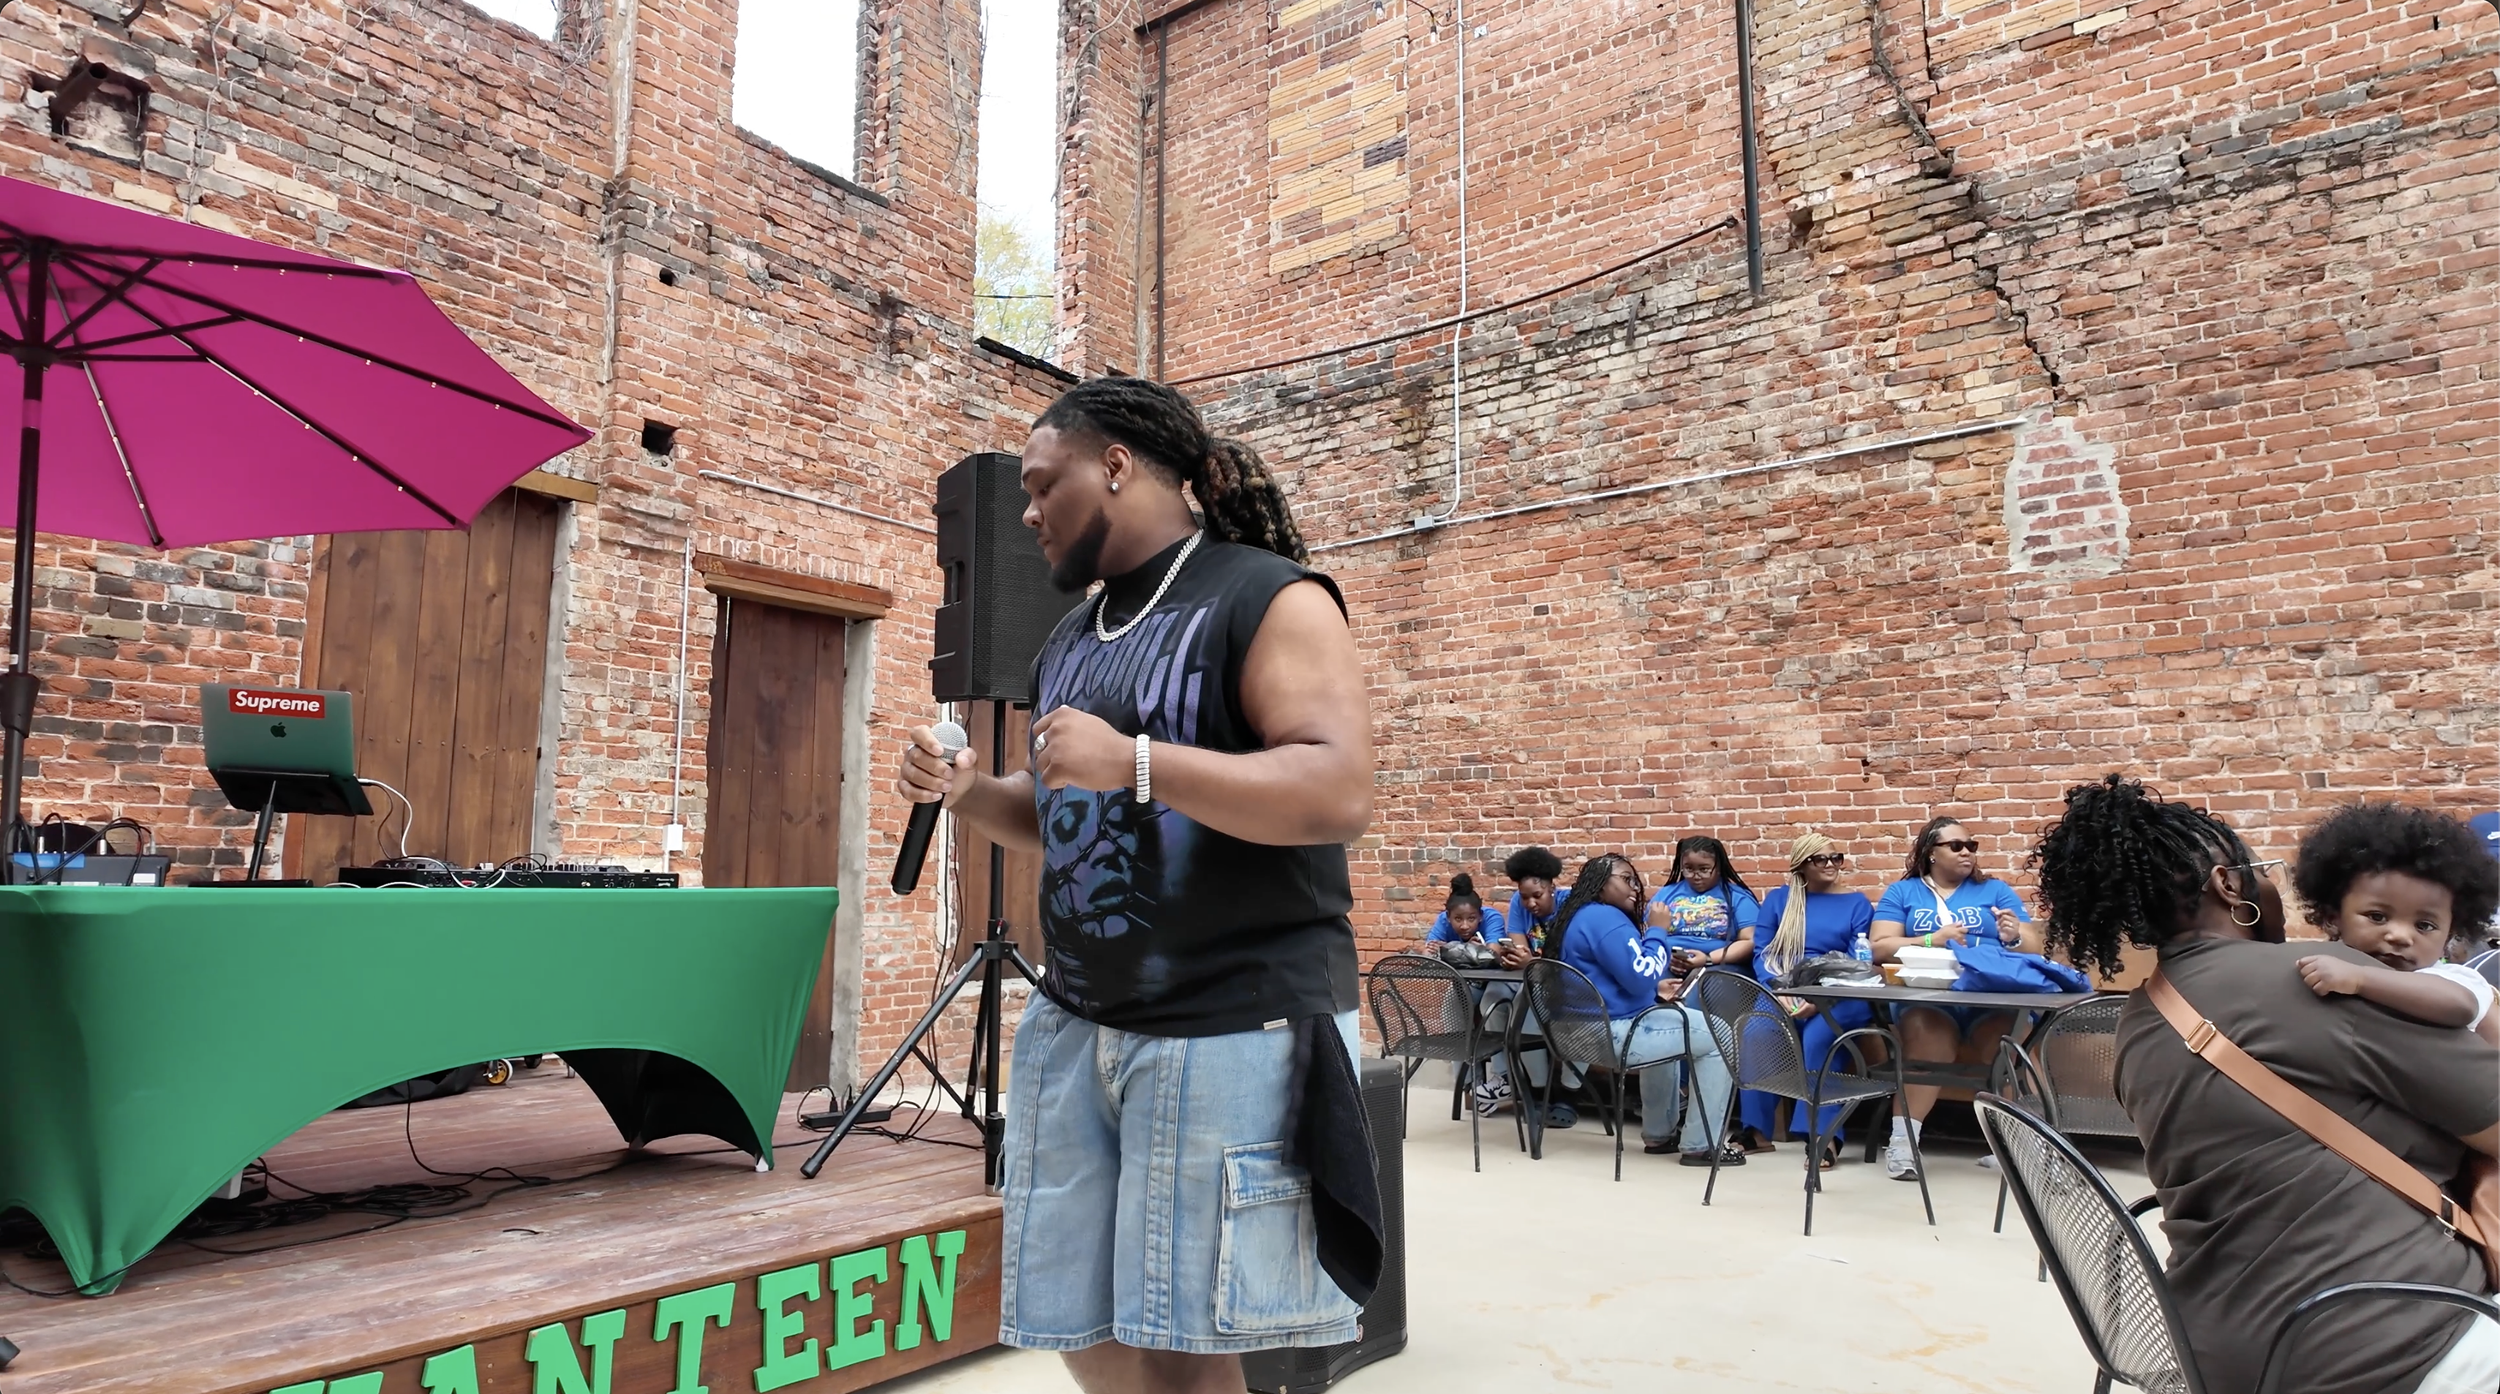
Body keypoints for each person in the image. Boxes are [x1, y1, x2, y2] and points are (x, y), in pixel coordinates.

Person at [897, 376, 1376, 1393]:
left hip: (1228, 1022)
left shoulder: (1269, 596)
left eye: (1043, 485)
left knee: (1186, 1346)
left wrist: (1137, 762)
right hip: (1079, 1022)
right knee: (1077, 1317)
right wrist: (970, 789)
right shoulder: (1071, 638)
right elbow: (1057, 812)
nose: (1028, 513)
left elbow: (1335, 789)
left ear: (1116, 465)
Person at [2034, 774, 2499, 1394]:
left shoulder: (2138, 1023)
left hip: (2213, 1348)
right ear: (2230, 886)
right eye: (2262, 871)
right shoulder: (2323, 981)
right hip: (2384, 1340)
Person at [1545, 853, 1742, 1165]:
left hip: (1577, 1035)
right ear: (1600, 884)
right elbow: (1640, 976)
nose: (1635, 888)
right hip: (1611, 1035)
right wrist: (1658, 931)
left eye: (1635, 881)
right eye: (1626, 879)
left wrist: (1654, 989)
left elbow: (1610, 977)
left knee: (1667, 1023)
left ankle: (1659, 1136)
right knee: (1720, 1034)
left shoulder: (1579, 915)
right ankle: (1701, 1145)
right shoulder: (1607, 920)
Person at [1867, 814, 2035, 1180]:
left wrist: (2014, 936)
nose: (1967, 852)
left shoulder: (1994, 890)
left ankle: (2020, 1146)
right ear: (1931, 852)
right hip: (1928, 997)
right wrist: (1931, 939)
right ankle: (1903, 1144)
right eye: (1956, 846)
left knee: (2013, 1046)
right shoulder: (1904, 892)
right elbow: (1878, 948)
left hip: (1991, 995)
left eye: (1971, 846)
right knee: (1926, 1044)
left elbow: (2034, 945)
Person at [2291, 802, 2500, 1045]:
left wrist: (2361, 979)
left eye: (2424, 926)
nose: (2400, 936)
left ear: (2448, 937)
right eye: (2377, 917)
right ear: (2332, 918)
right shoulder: (2333, 971)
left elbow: (2461, 1005)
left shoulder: (2451, 978)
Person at [1733, 831, 1875, 1163]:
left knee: (1818, 1038)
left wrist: (1820, 997)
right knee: (1757, 1032)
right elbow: (1764, 952)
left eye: (1836, 858)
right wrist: (1780, 991)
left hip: (1840, 993)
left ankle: (1822, 1134)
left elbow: (1857, 960)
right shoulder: (1779, 900)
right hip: (1785, 988)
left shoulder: (1856, 903)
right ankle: (1756, 1130)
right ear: (1801, 865)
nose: (1830, 864)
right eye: (1820, 859)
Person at [1647, 835, 1761, 977]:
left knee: (1705, 987)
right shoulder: (1665, 894)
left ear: (1718, 868)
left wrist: (1708, 959)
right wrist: (1665, 958)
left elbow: (1750, 941)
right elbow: (1651, 934)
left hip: (1720, 966)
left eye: (1704, 869)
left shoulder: (1738, 897)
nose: (1696, 876)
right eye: (1689, 869)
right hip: (1668, 964)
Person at [1490, 844, 1563, 968]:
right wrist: (1514, 956)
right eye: (1524, 897)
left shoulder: (1569, 902)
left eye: (1537, 895)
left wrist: (1530, 963)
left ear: (1552, 888)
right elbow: (1520, 950)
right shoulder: (1517, 901)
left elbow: (1569, 960)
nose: (1531, 903)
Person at [1425, 871, 1508, 944]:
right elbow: (1428, 952)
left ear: (1481, 916)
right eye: (1458, 919)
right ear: (1448, 917)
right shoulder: (1443, 920)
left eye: (1471, 919)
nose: (1465, 926)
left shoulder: (1492, 918)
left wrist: (1448, 948)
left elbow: (1493, 952)